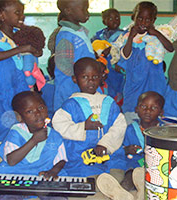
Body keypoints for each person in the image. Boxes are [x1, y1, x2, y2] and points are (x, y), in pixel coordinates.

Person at [48, 58, 130, 200]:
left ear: (101, 77)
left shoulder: (109, 102)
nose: (90, 81)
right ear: (75, 79)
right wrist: (82, 127)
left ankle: (110, 189)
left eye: (95, 77)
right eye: (85, 77)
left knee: (117, 172)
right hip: (81, 155)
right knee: (84, 181)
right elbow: (59, 124)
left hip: (107, 153)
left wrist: (105, 144)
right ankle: (103, 193)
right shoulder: (70, 104)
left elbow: (119, 125)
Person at [0, 92, 68, 200]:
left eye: (41, 107)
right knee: (9, 196)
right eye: (29, 111)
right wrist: (34, 140)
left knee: (58, 196)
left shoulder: (55, 135)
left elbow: (61, 159)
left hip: (43, 176)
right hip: (16, 175)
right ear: (20, 117)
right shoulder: (16, 132)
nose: (37, 113)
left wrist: (53, 172)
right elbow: (11, 160)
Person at [0, 0, 41, 127]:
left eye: (22, 12)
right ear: (2, 16)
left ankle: (20, 139)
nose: (22, 16)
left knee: (22, 111)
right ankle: (3, 143)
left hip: (18, 82)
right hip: (2, 86)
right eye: (18, 13)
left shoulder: (17, 34)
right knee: (5, 116)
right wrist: (23, 49)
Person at [116, 2, 172, 113]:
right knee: (133, 107)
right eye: (140, 18)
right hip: (134, 81)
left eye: (148, 20)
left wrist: (156, 33)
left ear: (153, 20)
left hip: (154, 80)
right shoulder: (127, 35)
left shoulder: (157, 36)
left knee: (154, 105)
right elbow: (126, 55)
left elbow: (171, 48)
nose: (143, 23)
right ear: (134, 18)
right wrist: (131, 37)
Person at [43, 0, 94, 114]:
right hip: (70, 90)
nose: (87, 13)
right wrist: (80, 79)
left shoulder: (80, 32)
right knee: (69, 122)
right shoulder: (66, 34)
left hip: (83, 87)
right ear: (68, 11)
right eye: (83, 9)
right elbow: (64, 65)